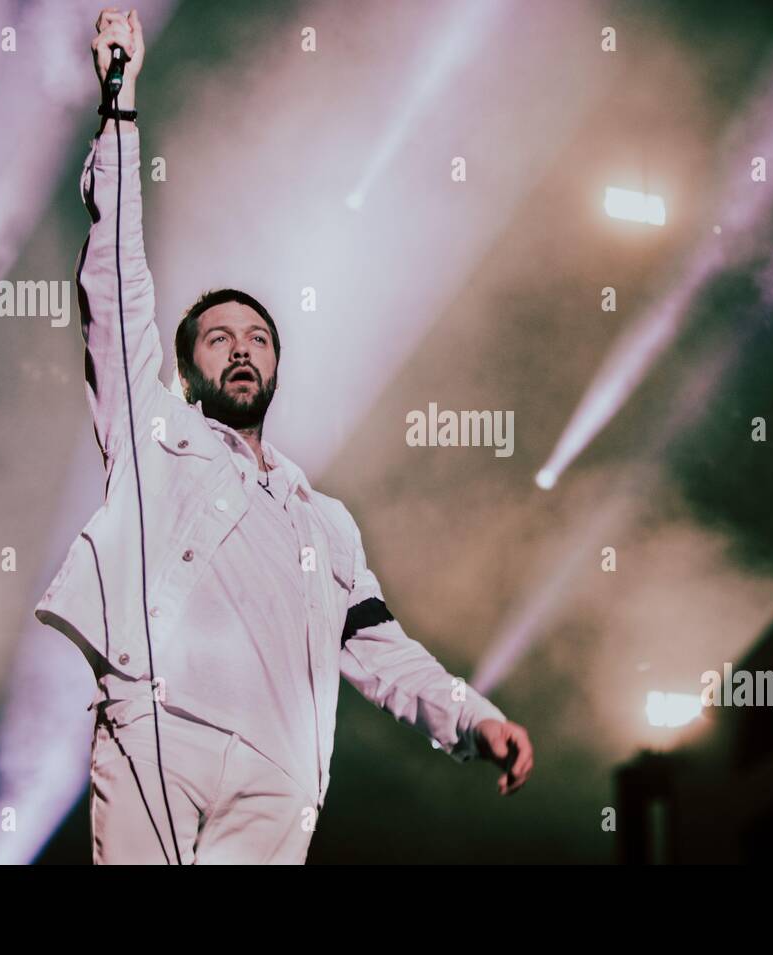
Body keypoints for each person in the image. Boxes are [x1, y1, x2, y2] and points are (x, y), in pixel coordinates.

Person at [34, 7, 534, 864]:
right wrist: (121, 106)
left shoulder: (325, 523)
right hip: (162, 727)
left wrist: (471, 715)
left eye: (259, 339)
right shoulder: (153, 433)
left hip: (280, 777)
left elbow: (383, 649)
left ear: (274, 369)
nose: (242, 349)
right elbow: (116, 282)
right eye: (219, 338)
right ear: (187, 369)